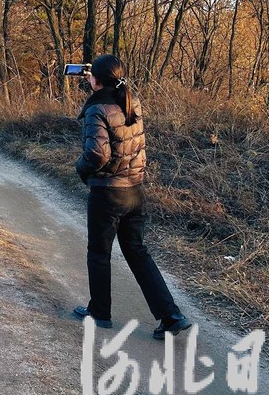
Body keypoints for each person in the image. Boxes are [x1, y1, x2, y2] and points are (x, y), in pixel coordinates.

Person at [72, 54, 192, 340]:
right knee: (137, 251)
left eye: (92, 76)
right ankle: (171, 315)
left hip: (108, 192)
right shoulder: (132, 101)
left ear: (96, 80)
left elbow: (97, 154)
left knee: (99, 252)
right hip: (135, 190)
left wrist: (81, 169)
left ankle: (100, 313)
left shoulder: (97, 108)